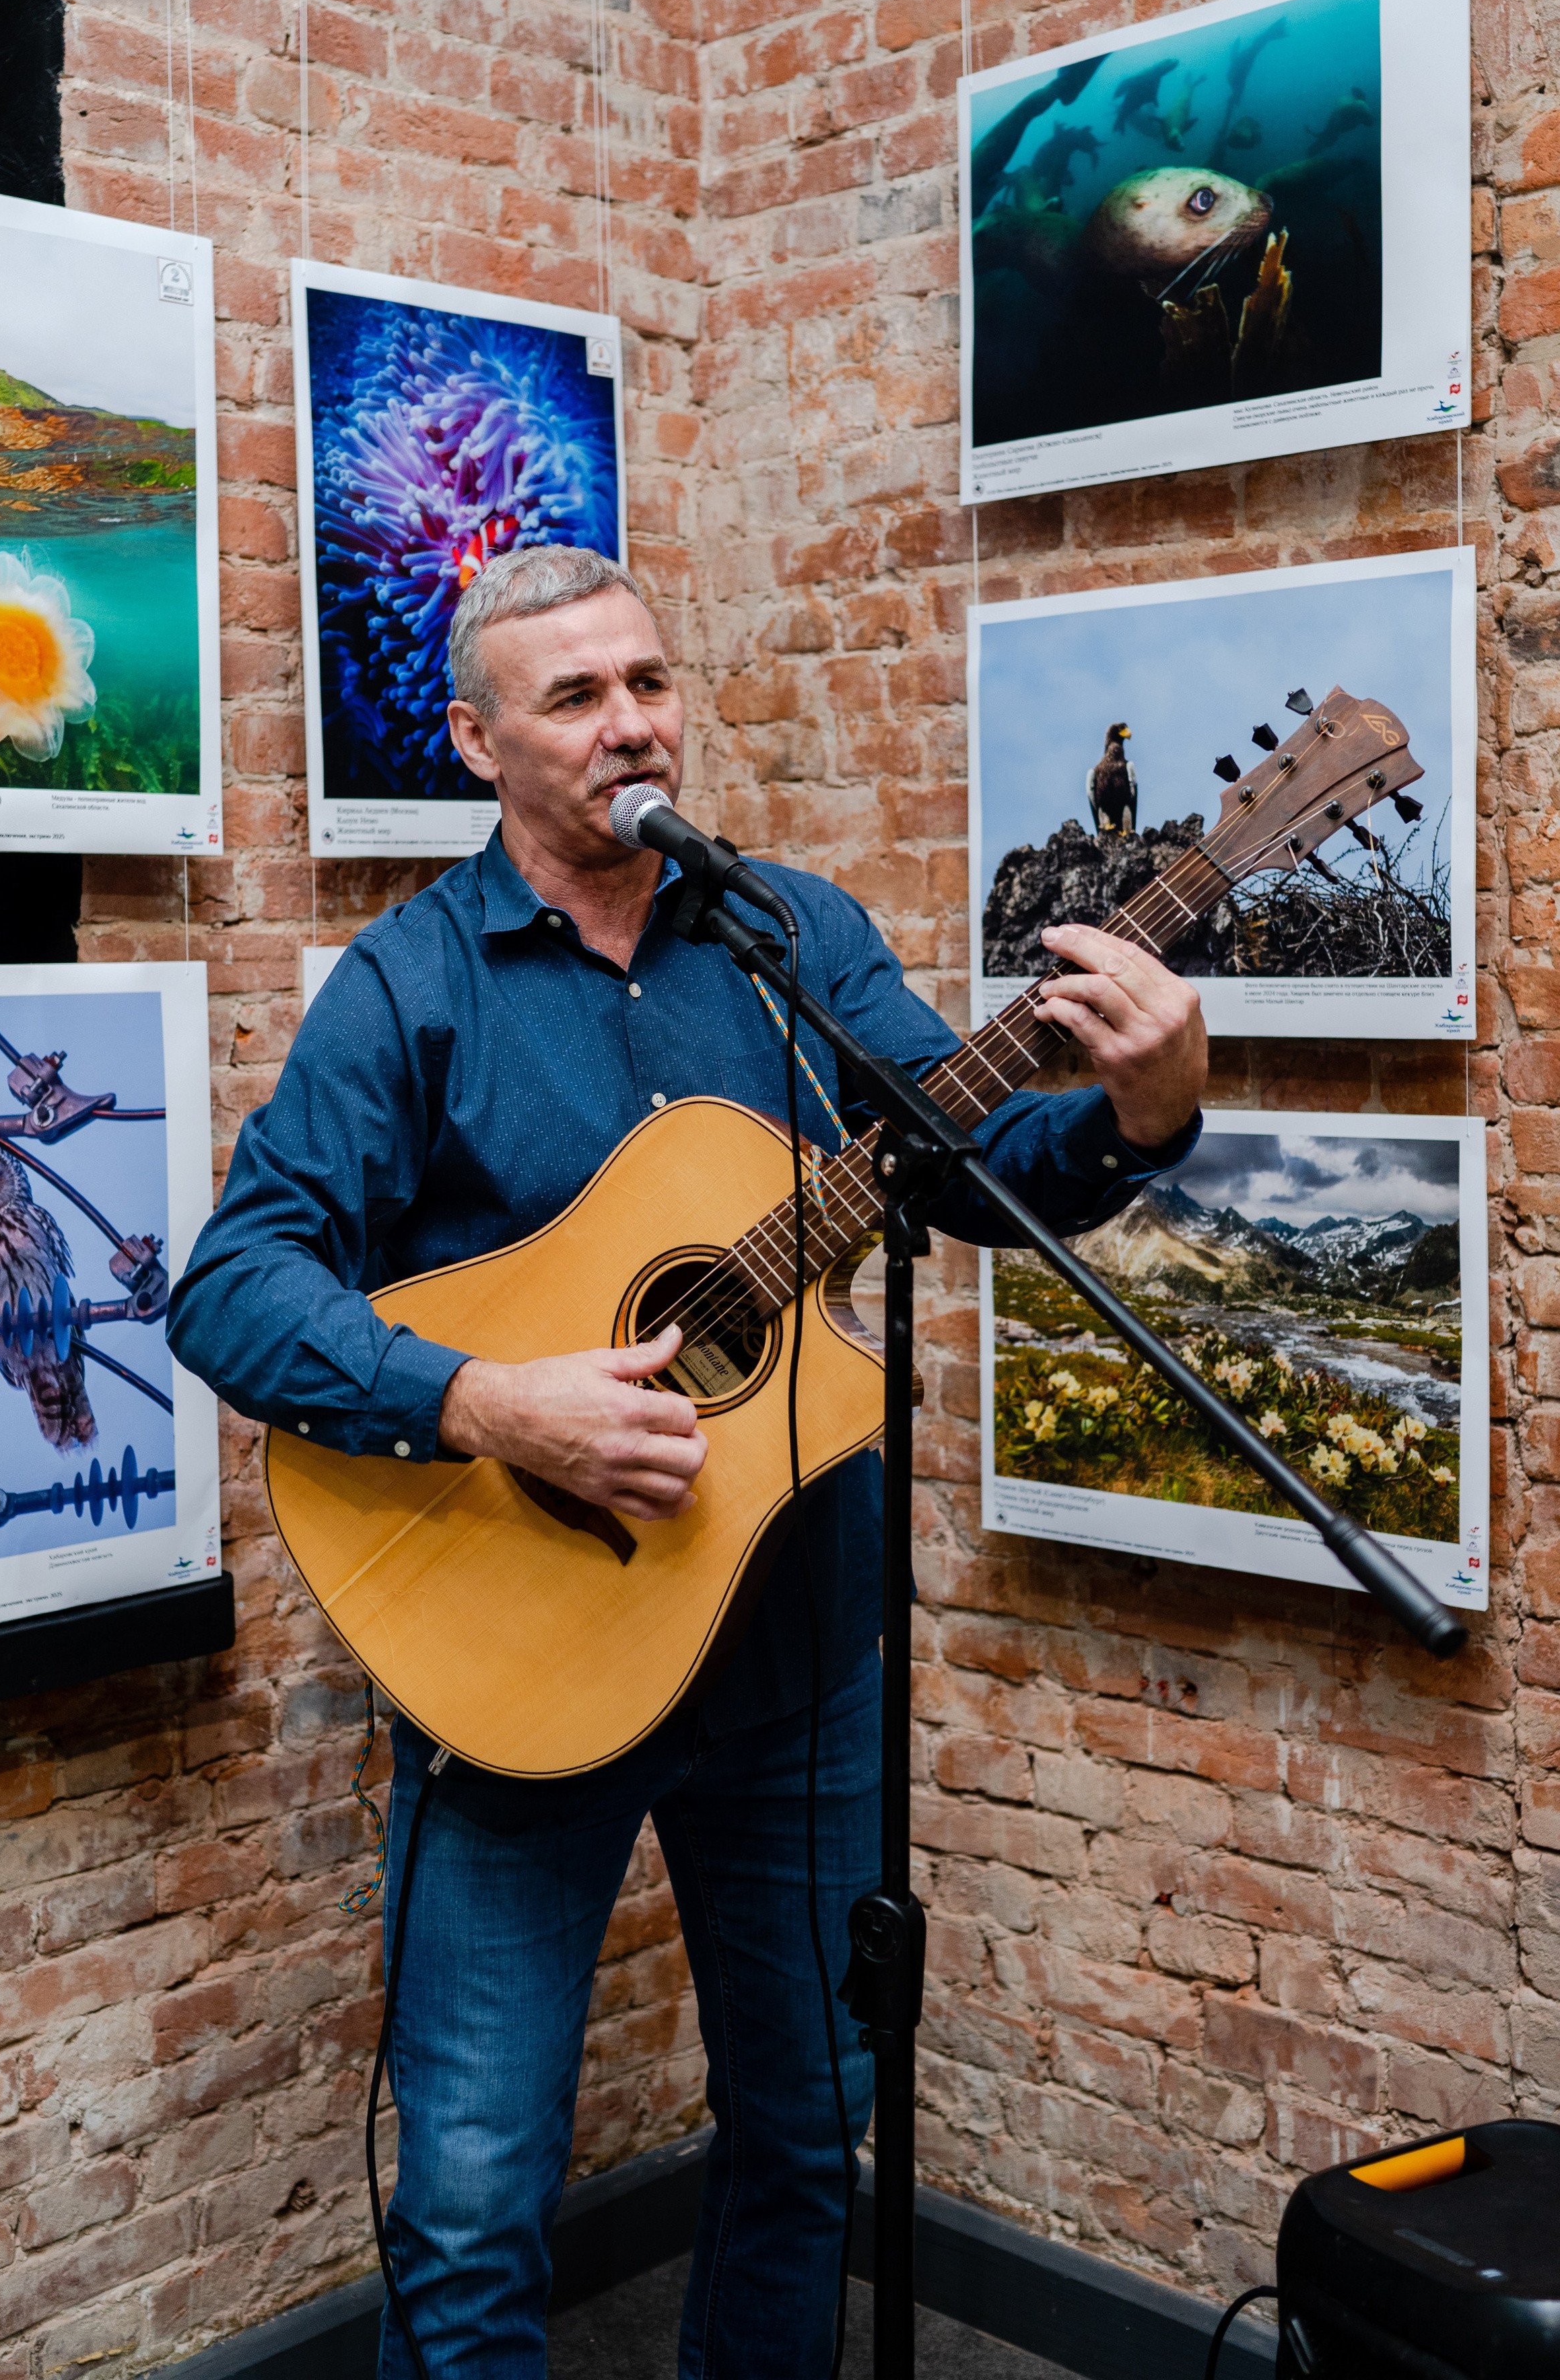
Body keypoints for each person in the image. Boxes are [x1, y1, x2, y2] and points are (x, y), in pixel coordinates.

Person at [167, 546, 1207, 2380]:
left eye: (647, 680)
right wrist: (490, 1403)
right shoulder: (409, 988)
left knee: (808, 2138)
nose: (630, 723)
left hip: (796, 1661)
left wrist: (1148, 1107)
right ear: (479, 743)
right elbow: (233, 1290)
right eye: (575, 696)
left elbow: (961, 1170)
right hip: (521, 1676)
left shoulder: (794, 939)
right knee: (472, 2209)